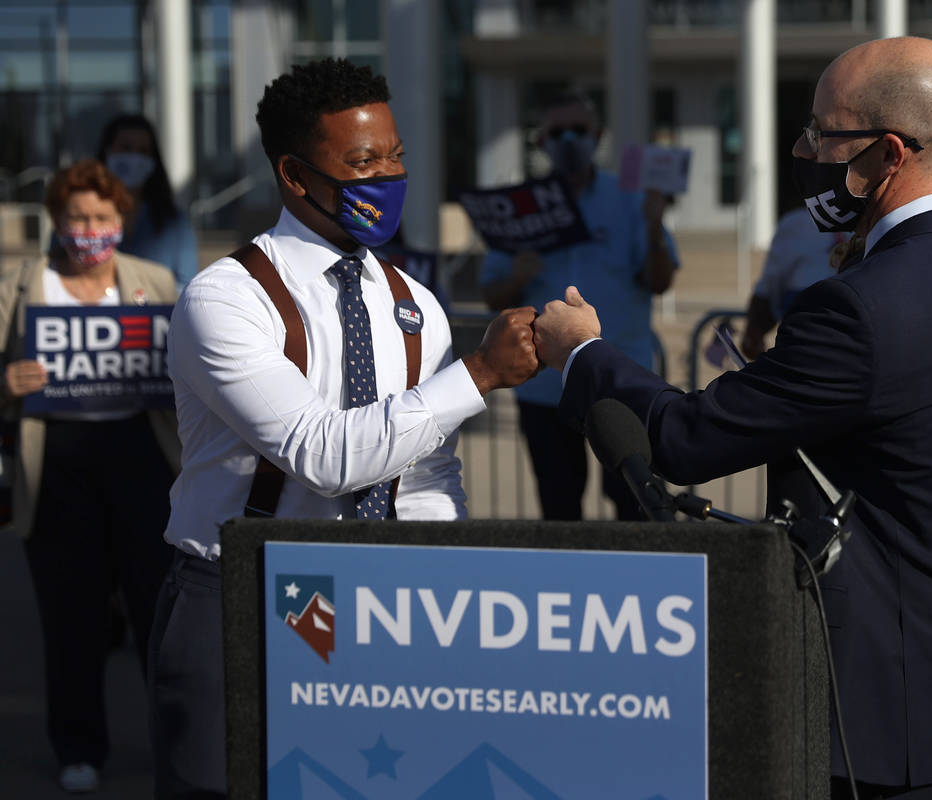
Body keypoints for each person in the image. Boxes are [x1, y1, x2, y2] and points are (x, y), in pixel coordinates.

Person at [536, 37, 932, 798]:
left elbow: (683, 439)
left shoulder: (856, 307)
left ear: (888, 154)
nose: (802, 149)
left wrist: (584, 354)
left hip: (876, 720)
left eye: (821, 131)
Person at [149, 58, 539, 798]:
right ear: (296, 176)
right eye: (363, 163)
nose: (387, 177)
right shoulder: (225, 299)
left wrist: (438, 584)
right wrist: (481, 373)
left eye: (394, 156)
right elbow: (321, 454)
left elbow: (429, 471)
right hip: (240, 589)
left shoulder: (413, 301)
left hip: (378, 593)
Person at [0, 159, 180, 794]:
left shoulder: (156, 282)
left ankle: (178, 746)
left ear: (121, 221)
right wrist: (7, 385)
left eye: (102, 217)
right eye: (77, 217)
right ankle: (79, 746)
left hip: (141, 456)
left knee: (159, 609)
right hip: (56, 463)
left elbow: (200, 366)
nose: (89, 228)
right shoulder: (20, 286)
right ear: (56, 222)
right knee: (70, 616)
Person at [478, 89, 679, 521]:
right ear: (541, 142)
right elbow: (491, 293)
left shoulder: (630, 198)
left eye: (579, 130)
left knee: (636, 506)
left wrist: (655, 226)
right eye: (557, 132)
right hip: (546, 388)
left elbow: (660, 281)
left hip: (620, 379)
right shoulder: (520, 207)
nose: (569, 140)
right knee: (559, 507)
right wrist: (517, 277)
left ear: (598, 136)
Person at [97, 113, 199, 286]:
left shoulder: (175, 224)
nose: (134, 158)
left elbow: (186, 285)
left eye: (143, 151)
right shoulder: (77, 217)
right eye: (126, 148)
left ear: (153, 160)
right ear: (107, 152)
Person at [740, 209, 842, 360]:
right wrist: (754, 331)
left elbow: (770, 284)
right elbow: (770, 284)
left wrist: (754, 332)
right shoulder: (797, 224)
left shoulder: (797, 223)